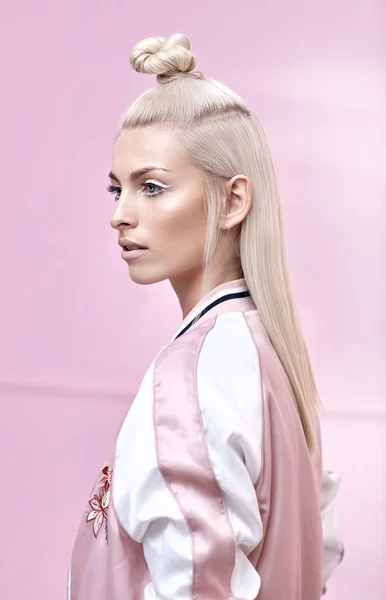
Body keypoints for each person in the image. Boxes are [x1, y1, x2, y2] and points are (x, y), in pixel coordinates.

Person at [67, 33, 344, 599]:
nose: (120, 214)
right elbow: (317, 554)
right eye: (116, 188)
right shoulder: (270, 356)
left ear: (234, 201)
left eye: (151, 187)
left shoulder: (189, 383)